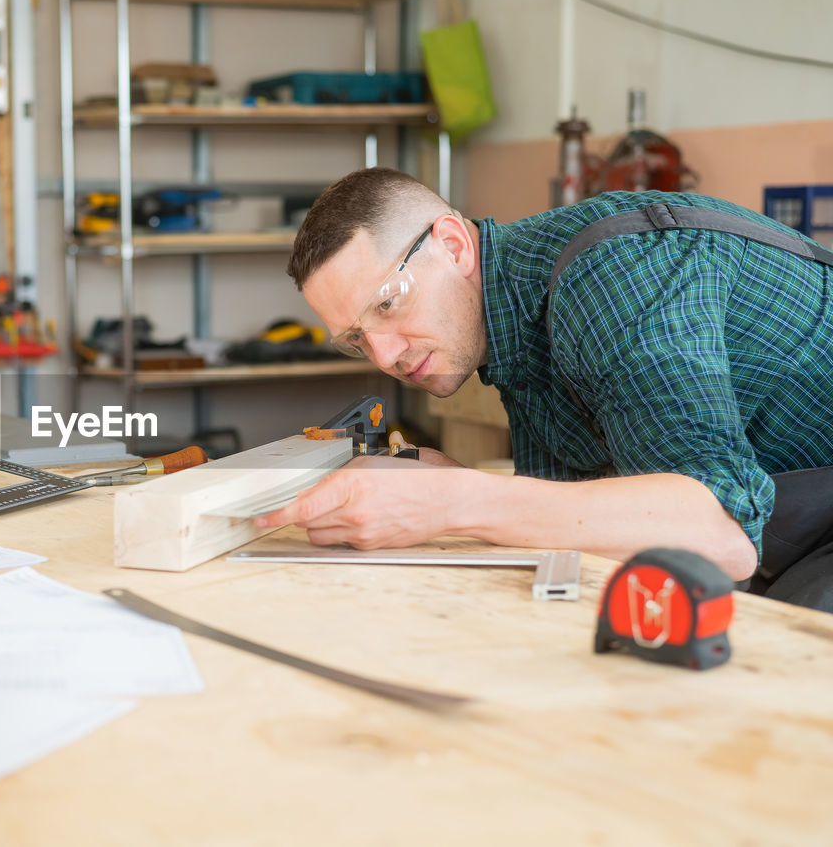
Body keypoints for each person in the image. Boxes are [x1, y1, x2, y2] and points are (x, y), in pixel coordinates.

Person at [258, 167, 833, 611]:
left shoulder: (611, 279)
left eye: (388, 304)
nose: (384, 355)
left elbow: (721, 535)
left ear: (454, 246)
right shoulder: (511, 328)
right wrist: (445, 483)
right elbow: (583, 518)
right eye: (358, 336)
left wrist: (451, 502)